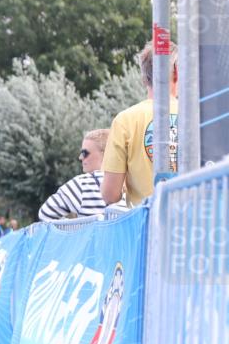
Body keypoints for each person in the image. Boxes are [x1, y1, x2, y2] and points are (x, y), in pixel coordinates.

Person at [102, 41, 179, 207]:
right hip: (193, 217)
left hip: (146, 218)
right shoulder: (197, 116)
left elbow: (110, 194)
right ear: (178, 72)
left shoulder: (124, 120)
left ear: (144, 78)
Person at [39, 129, 117, 221]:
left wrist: (75, 226)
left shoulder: (82, 184)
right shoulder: (128, 183)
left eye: (85, 153)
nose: (80, 157)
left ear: (105, 154)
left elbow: (45, 214)